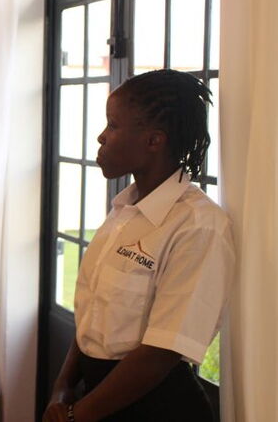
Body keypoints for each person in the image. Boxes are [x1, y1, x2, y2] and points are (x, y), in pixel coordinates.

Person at [44, 69, 234, 422]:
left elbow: (163, 350)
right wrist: (63, 385)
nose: (101, 137)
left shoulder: (198, 225)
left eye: (113, 125)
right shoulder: (125, 211)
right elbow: (92, 320)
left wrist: (78, 416)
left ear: (154, 140)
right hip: (96, 398)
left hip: (156, 407)